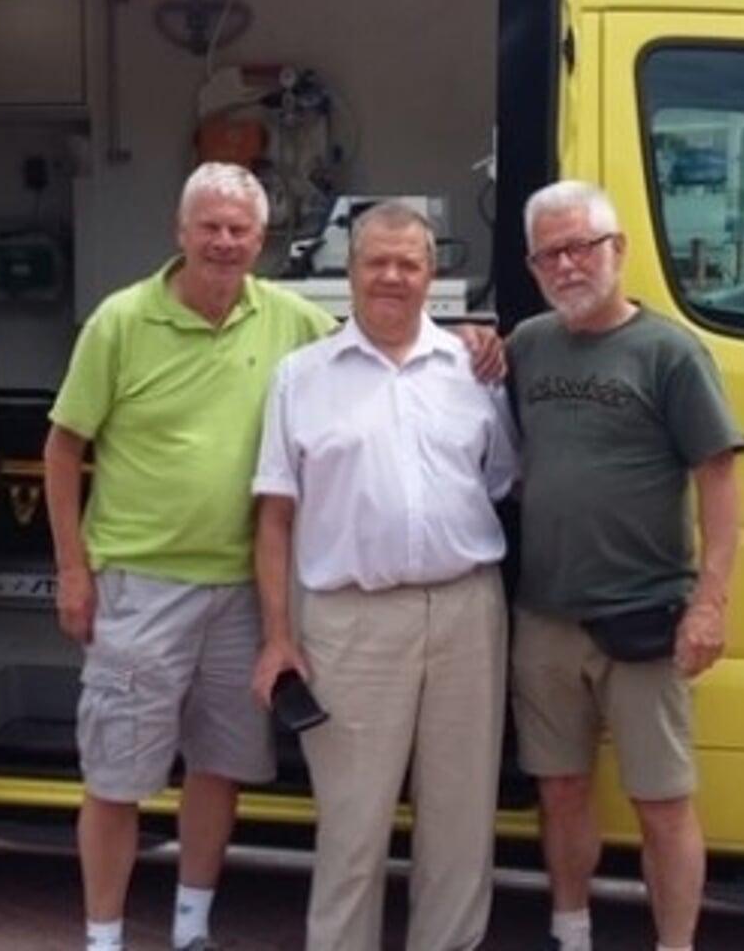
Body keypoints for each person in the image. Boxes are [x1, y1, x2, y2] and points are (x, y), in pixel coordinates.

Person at [45, 165, 502, 951]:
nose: (224, 242)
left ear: (263, 241)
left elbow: (466, 449)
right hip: (156, 582)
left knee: (224, 768)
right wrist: (74, 570)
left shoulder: (310, 329)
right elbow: (68, 449)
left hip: (284, 598)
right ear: (179, 230)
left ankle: (190, 929)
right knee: (124, 776)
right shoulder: (134, 325)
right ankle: (103, 937)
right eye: (210, 226)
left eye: (239, 230)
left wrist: (477, 338)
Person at [249, 201, 519, 951]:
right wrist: (277, 639)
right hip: (349, 624)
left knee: (462, 824)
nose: (392, 276)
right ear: (351, 270)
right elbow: (273, 517)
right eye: (377, 262)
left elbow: (497, 480)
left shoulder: (474, 370)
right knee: (352, 826)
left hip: (467, 613)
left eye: (409, 263)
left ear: (433, 275)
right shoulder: (300, 377)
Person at [506, 181, 742, 951]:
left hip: (645, 618)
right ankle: (570, 932)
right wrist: (477, 343)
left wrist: (710, 603)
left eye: (582, 247)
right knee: (561, 790)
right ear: (534, 265)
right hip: (545, 618)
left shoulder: (670, 352)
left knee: (661, 803)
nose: (568, 265)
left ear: (618, 250)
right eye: (550, 253)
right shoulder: (529, 345)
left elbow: (718, 478)